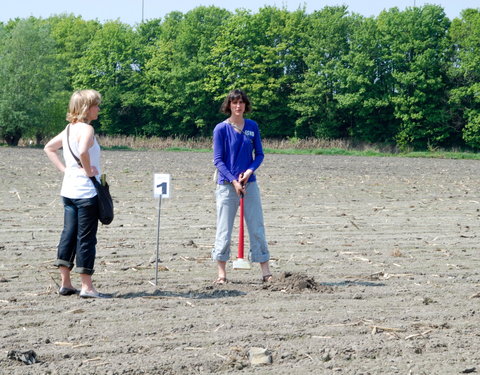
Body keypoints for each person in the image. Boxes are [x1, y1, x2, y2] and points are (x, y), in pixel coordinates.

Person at [44, 89, 110, 298]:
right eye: (96, 105)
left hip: (69, 190)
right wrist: (88, 170)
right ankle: (87, 287)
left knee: (68, 234)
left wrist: (66, 170)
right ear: (86, 108)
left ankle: (65, 283)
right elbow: (82, 151)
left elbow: (49, 148)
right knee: (86, 239)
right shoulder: (87, 130)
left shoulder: (68, 129)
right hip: (86, 192)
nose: (98, 109)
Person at [212, 89, 272, 284]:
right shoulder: (221, 129)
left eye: (241, 103)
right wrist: (234, 181)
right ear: (229, 105)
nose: (238, 106)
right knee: (224, 230)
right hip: (227, 185)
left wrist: (249, 172)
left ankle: (265, 272)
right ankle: (221, 274)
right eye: (234, 103)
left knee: (257, 227)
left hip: (250, 184)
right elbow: (218, 160)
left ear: (246, 105)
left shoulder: (253, 126)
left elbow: (260, 155)